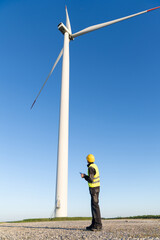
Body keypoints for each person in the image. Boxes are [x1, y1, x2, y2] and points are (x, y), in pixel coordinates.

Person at [80, 154, 102, 231]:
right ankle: (93, 224)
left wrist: (84, 176)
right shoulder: (95, 166)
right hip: (96, 188)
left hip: (94, 189)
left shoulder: (91, 168)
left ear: (88, 160)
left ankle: (98, 225)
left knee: (95, 206)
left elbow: (91, 179)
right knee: (94, 206)